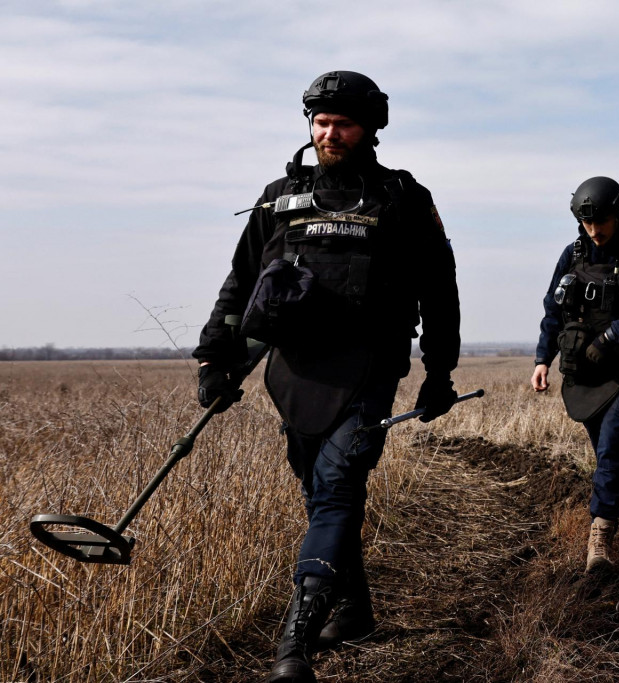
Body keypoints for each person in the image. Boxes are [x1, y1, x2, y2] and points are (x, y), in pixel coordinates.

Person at [192, 71, 461, 683]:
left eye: (340, 122)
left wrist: (438, 371)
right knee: (319, 493)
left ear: (369, 128)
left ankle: (296, 639)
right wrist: (215, 357)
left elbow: (439, 292)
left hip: (369, 369)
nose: (327, 132)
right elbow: (241, 281)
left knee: (338, 486)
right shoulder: (280, 196)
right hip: (293, 373)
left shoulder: (403, 198)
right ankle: (356, 609)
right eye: (318, 121)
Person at [531, 176, 619, 574]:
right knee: (609, 450)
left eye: (601, 223)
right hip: (584, 367)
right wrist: (543, 358)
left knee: (610, 445)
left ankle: (601, 536)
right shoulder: (573, 253)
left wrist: (613, 336)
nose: (594, 231)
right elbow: (553, 308)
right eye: (586, 223)